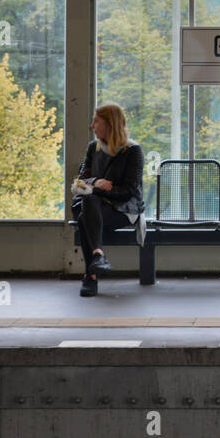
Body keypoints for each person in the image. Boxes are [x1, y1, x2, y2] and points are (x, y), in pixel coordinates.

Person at [72, 103, 144, 297]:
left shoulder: (133, 151)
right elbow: (80, 180)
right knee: (88, 204)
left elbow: (128, 191)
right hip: (96, 207)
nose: (92, 125)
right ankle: (98, 256)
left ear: (109, 124)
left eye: (96, 121)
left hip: (123, 209)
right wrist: (96, 181)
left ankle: (90, 276)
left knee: (84, 217)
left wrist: (96, 190)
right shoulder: (92, 148)